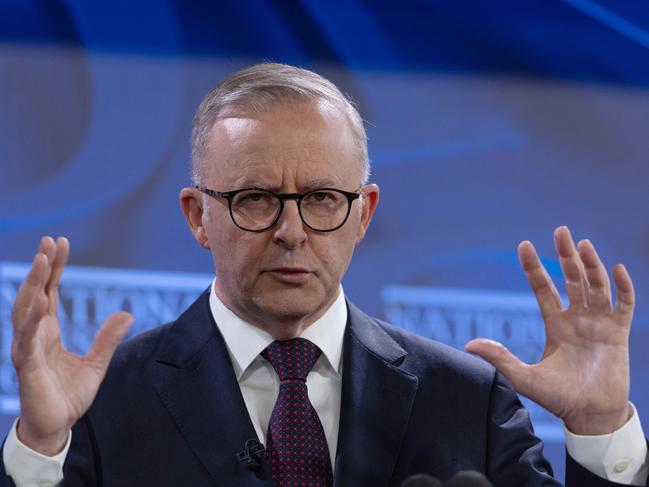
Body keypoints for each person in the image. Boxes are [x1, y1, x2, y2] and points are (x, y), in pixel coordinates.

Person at [1, 63, 647, 486]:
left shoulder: (466, 402)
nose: (291, 230)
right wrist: (39, 446)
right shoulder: (102, 404)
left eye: (321, 199)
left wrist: (598, 432)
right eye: (255, 198)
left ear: (362, 213)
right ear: (197, 216)